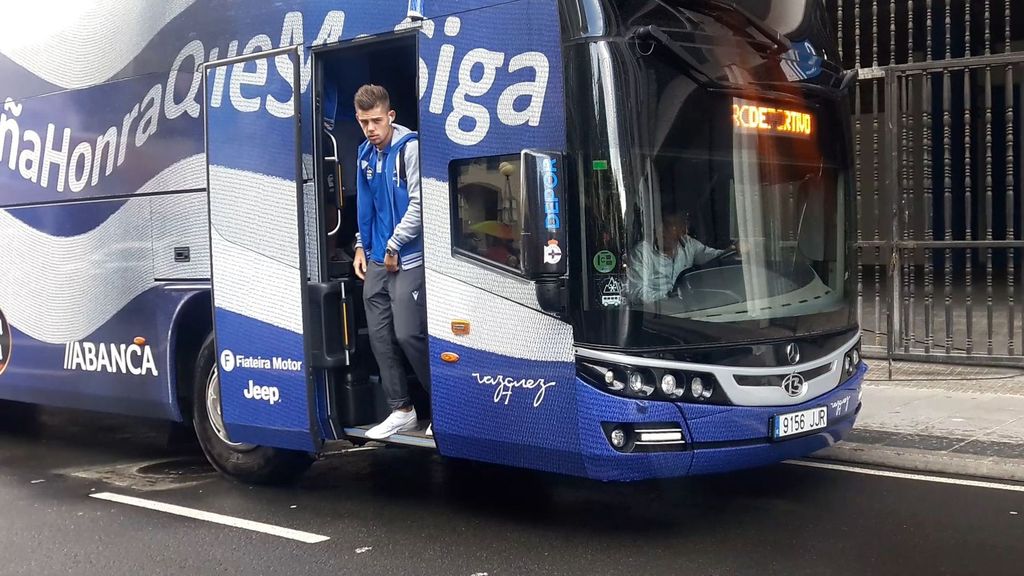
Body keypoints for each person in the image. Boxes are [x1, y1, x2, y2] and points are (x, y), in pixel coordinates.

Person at [351, 85, 431, 439]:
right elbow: (366, 208)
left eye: (377, 121)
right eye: (365, 121)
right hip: (379, 257)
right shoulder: (364, 154)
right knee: (380, 337)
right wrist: (359, 245)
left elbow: (420, 204)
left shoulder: (409, 149)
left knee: (408, 333)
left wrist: (395, 244)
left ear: (391, 116)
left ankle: (444, 406)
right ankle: (402, 410)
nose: (371, 128)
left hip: (407, 256)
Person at [627, 211, 729, 304]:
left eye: (668, 226)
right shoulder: (642, 252)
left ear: (681, 230)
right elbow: (635, 292)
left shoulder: (689, 245)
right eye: (659, 225)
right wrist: (667, 297)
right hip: (655, 314)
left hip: (686, 310)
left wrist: (734, 250)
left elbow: (715, 257)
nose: (661, 230)